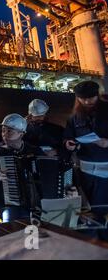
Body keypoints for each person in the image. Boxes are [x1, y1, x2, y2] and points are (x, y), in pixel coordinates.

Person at [63, 80, 108, 241]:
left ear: (98, 95)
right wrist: (69, 145)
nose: (88, 102)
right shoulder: (74, 117)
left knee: (102, 212)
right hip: (85, 172)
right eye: (83, 99)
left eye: (91, 98)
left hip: (105, 172)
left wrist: (106, 142)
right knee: (88, 212)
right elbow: (68, 136)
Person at [0, 114, 45, 212]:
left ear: (21, 134)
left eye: (9, 131)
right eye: (3, 130)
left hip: (36, 204)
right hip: (9, 204)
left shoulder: (35, 151)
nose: (4, 134)